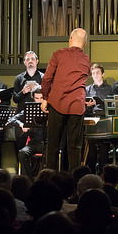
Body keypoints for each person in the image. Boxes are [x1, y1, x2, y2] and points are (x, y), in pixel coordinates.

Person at [41, 28, 91, 171]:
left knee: (53, 145)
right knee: (75, 147)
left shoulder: (58, 54)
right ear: (85, 43)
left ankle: (50, 179)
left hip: (57, 103)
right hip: (76, 105)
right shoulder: (86, 60)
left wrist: (45, 97)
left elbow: (47, 78)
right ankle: (74, 184)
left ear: (70, 38)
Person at [9, 90, 47, 179]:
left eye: (41, 98)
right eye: (37, 98)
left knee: (50, 155)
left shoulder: (49, 109)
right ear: (33, 98)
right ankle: (28, 179)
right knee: (22, 153)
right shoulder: (29, 109)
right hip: (34, 143)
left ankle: (43, 179)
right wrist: (22, 124)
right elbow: (13, 119)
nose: (39, 100)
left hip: (47, 143)